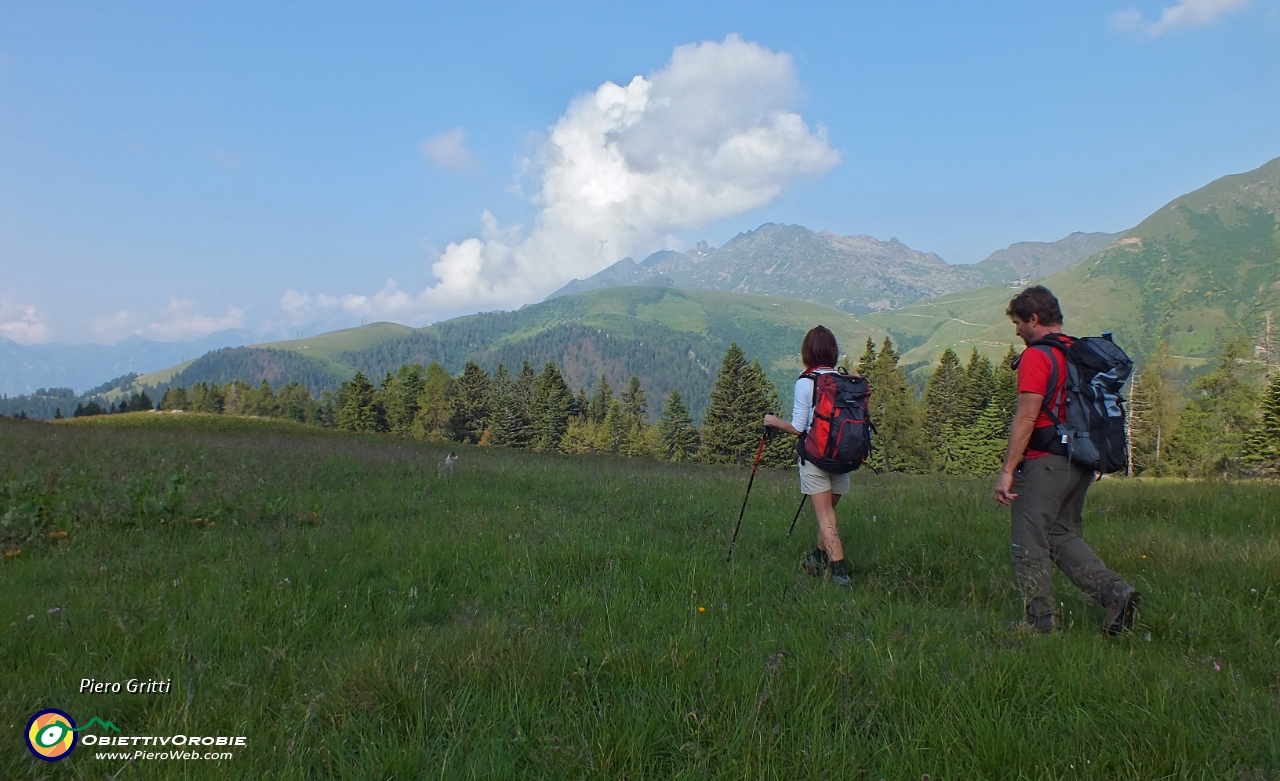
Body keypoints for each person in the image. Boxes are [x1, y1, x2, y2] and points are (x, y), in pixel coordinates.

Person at [994, 285, 1139, 635]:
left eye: (1018, 323)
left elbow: (1027, 417)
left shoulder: (1037, 356)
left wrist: (1007, 471)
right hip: (1082, 461)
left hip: (1046, 460)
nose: (1017, 331)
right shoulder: (1075, 351)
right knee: (1061, 535)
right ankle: (1115, 593)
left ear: (1034, 318)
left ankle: (1040, 623)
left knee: (1028, 541)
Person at [764, 325, 853, 587]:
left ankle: (840, 574)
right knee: (829, 514)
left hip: (816, 459)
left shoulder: (806, 383)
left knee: (825, 517)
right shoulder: (844, 380)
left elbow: (798, 428)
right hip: (843, 457)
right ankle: (817, 558)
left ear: (807, 353)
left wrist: (772, 421)